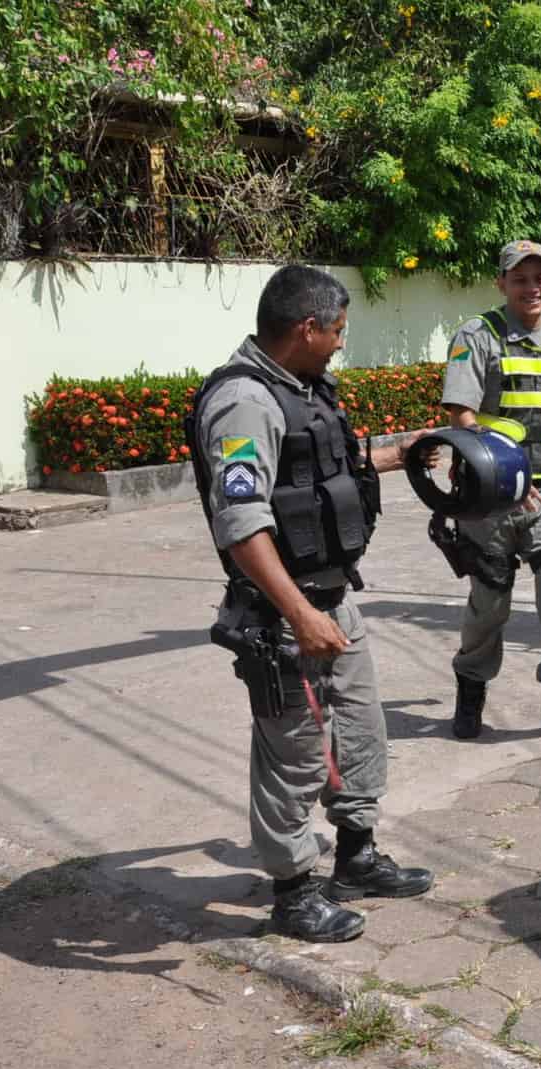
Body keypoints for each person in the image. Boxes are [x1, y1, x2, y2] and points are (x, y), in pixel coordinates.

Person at [186, 265, 433, 944]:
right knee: (292, 753)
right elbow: (240, 522)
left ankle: (355, 858)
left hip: (332, 596)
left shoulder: (302, 390)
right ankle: (293, 892)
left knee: (359, 728)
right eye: (337, 332)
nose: (338, 344)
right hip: (282, 614)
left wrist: (401, 454)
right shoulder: (244, 403)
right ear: (306, 328)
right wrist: (298, 613)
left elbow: (323, 467)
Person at [440, 240, 541, 744]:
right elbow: (462, 419)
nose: (531, 288)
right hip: (491, 498)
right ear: (502, 284)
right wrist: (508, 486)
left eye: (540, 278)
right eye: (520, 279)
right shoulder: (478, 335)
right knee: (489, 604)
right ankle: (469, 699)